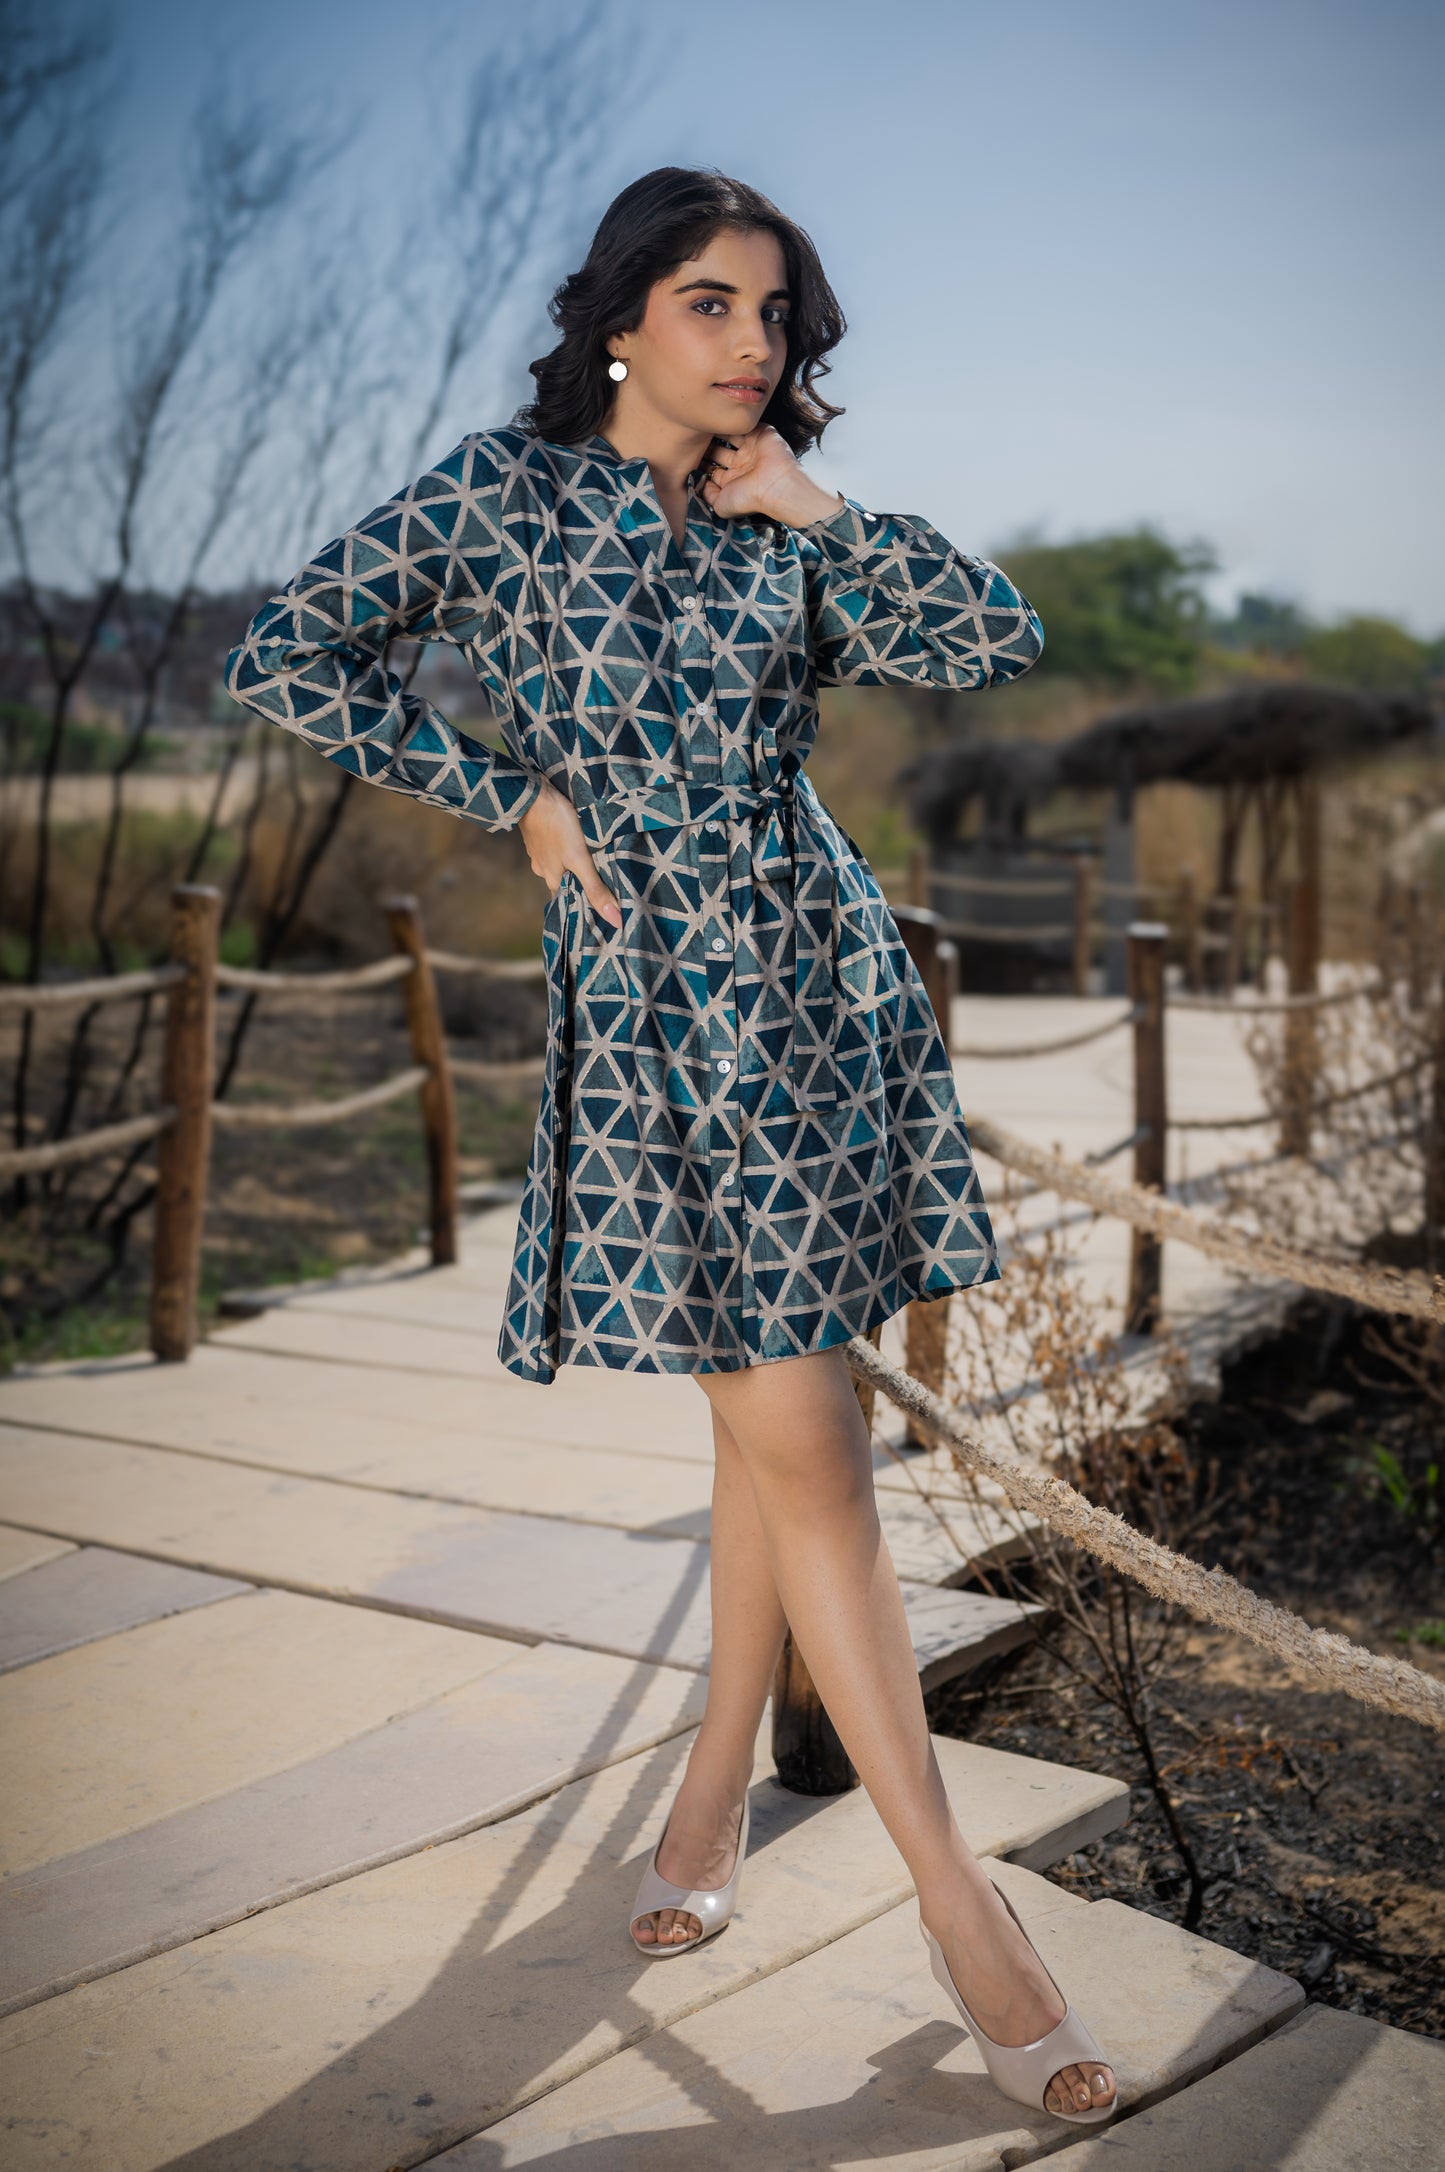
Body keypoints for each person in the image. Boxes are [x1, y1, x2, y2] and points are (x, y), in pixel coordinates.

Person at [224, 165, 1117, 2130]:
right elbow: (293, 654)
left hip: (816, 987)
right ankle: (967, 1913)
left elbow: (987, 634)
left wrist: (815, 505)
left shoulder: (778, 506)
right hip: (647, 1016)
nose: (752, 346)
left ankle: (714, 1798)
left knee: (768, 1434)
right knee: (805, 1443)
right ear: (620, 315)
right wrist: (511, 790)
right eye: (710, 304)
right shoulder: (499, 498)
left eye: (777, 314)